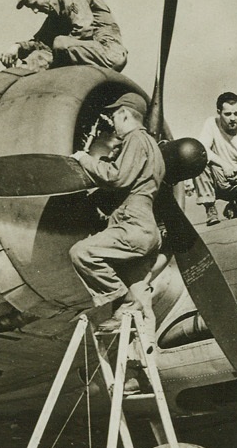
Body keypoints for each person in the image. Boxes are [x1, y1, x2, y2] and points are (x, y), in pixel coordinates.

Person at [68, 92, 165, 316]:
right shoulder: (153, 146)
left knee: (81, 252)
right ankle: (131, 317)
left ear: (123, 115)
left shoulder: (135, 139)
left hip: (132, 227)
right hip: (147, 230)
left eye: (113, 117)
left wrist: (84, 158)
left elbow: (116, 177)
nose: (113, 125)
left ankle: (125, 299)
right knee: (133, 319)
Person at [2, 0, 127, 72]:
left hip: (107, 50)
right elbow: (41, 43)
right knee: (36, 57)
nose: (35, 11)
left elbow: (83, 27)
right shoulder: (54, 15)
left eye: (34, 4)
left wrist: (50, 55)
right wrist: (17, 47)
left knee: (59, 44)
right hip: (84, 50)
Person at [192, 91, 237, 225]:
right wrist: (224, 165)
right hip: (216, 177)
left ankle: (236, 208)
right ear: (219, 112)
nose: (233, 118)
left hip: (235, 181)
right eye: (227, 114)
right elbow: (202, 148)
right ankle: (210, 209)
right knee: (196, 157)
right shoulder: (211, 123)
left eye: (236, 113)